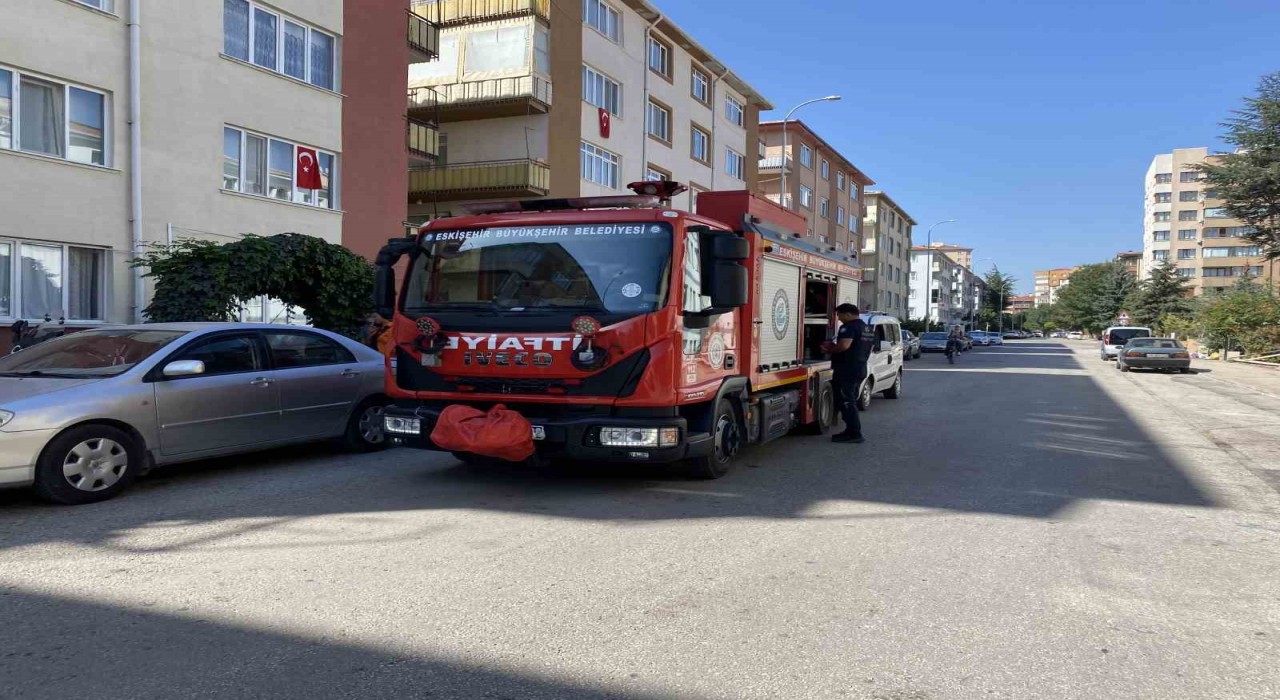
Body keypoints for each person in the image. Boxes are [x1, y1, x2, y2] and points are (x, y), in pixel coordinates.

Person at [821, 303, 875, 444]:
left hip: (847, 369)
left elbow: (844, 345)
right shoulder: (867, 327)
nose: (838, 318)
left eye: (839, 315)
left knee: (846, 401)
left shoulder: (849, 327)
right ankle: (850, 431)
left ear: (848, 314)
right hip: (859, 368)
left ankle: (854, 433)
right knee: (848, 400)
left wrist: (829, 349)